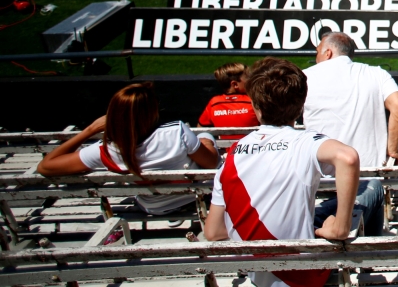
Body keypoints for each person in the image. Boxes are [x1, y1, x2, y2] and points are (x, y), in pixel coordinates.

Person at [204, 59, 362, 287]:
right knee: (371, 191)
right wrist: (339, 227)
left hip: (259, 274)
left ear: (256, 107)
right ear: (301, 106)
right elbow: (348, 158)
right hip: (304, 274)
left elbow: (214, 232)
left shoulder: (232, 156)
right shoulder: (305, 142)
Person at [36, 82, 220, 215]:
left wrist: (89, 130)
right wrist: (206, 139)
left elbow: (46, 166)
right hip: (196, 199)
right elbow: (211, 163)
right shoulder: (176, 132)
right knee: (205, 136)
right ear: (151, 111)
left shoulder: (105, 150)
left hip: (153, 208)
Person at [304, 32, 398, 234]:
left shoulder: (305, 77)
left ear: (327, 52)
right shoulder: (376, 74)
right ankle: (369, 253)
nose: (316, 56)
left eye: (317, 51)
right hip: (365, 176)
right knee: (374, 189)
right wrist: (393, 150)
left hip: (318, 177)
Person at [198, 63, 259, 140]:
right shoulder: (253, 100)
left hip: (225, 150)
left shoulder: (214, 103)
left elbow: (200, 129)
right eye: (247, 78)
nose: (251, 81)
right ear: (235, 84)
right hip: (252, 149)